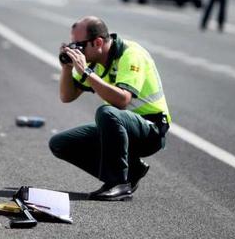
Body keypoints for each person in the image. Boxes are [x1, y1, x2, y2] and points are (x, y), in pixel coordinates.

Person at [49, 16, 171, 201]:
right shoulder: (94, 61)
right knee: (60, 144)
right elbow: (67, 96)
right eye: (71, 45)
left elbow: (122, 100)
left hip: (149, 129)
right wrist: (67, 68)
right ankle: (132, 169)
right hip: (118, 127)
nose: (75, 51)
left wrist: (87, 73)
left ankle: (118, 183)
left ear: (97, 42)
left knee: (106, 113)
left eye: (78, 45)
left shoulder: (131, 54)